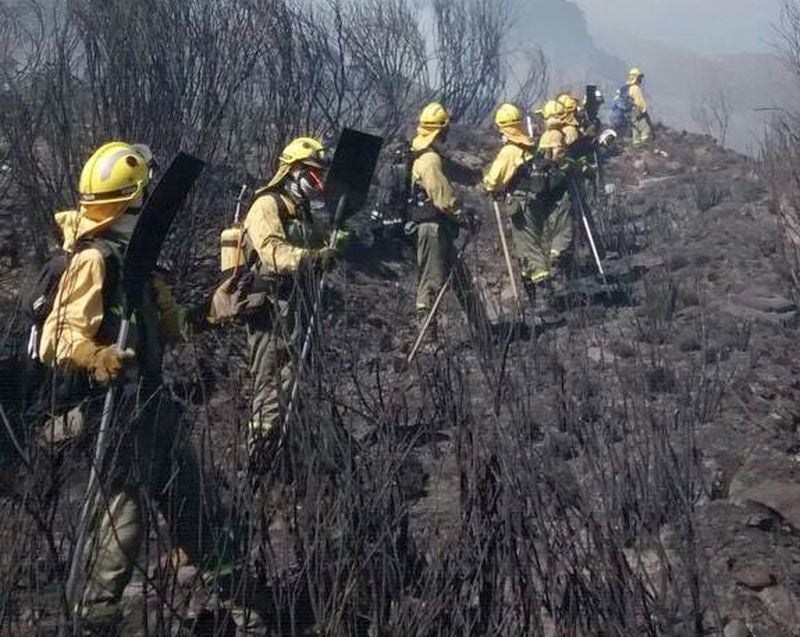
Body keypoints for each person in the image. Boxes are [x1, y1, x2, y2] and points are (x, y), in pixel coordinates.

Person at [39, 142, 239, 631]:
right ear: (133, 200)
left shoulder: (138, 262)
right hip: (115, 410)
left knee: (194, 499)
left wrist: (210, 313)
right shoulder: (94, 261)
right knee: (123, 523)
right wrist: (96, 356)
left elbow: (171, 328)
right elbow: (58, 336)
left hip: (153, 405)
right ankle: (95, 617)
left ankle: (236, 595)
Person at [220, 137, 340, 455]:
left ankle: (291, 448)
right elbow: (272, 252)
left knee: (297, 376)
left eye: (320, 175)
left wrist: (332, 244)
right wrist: (309, 259)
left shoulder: (302, 211)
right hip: (269, 307)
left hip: (297, 303)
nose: (317, 182)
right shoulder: (267, 205)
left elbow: (315, 244)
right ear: (292, 171)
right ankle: (261, 454)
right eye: (312, 174)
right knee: (270, 381)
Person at [407, 102, 483, 343]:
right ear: (440, 130)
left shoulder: (429, 155)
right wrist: (463, 216)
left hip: (440, 227)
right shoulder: (429, 160)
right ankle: (427, 337)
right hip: (432, 227)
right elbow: (443, 199)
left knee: (461, 279)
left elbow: (453, 174)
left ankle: (482, 328)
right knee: (432, 280)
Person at [626, 67, 652, 145]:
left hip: (632, 112)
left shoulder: (630, 88)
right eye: (639, 77)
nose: (640, 79)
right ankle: (643, 144)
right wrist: (643, 110)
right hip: (637, 111)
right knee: (645, 128)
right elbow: (638, 101)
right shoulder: (635, 88)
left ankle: (636, 144)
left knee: (636, 128)